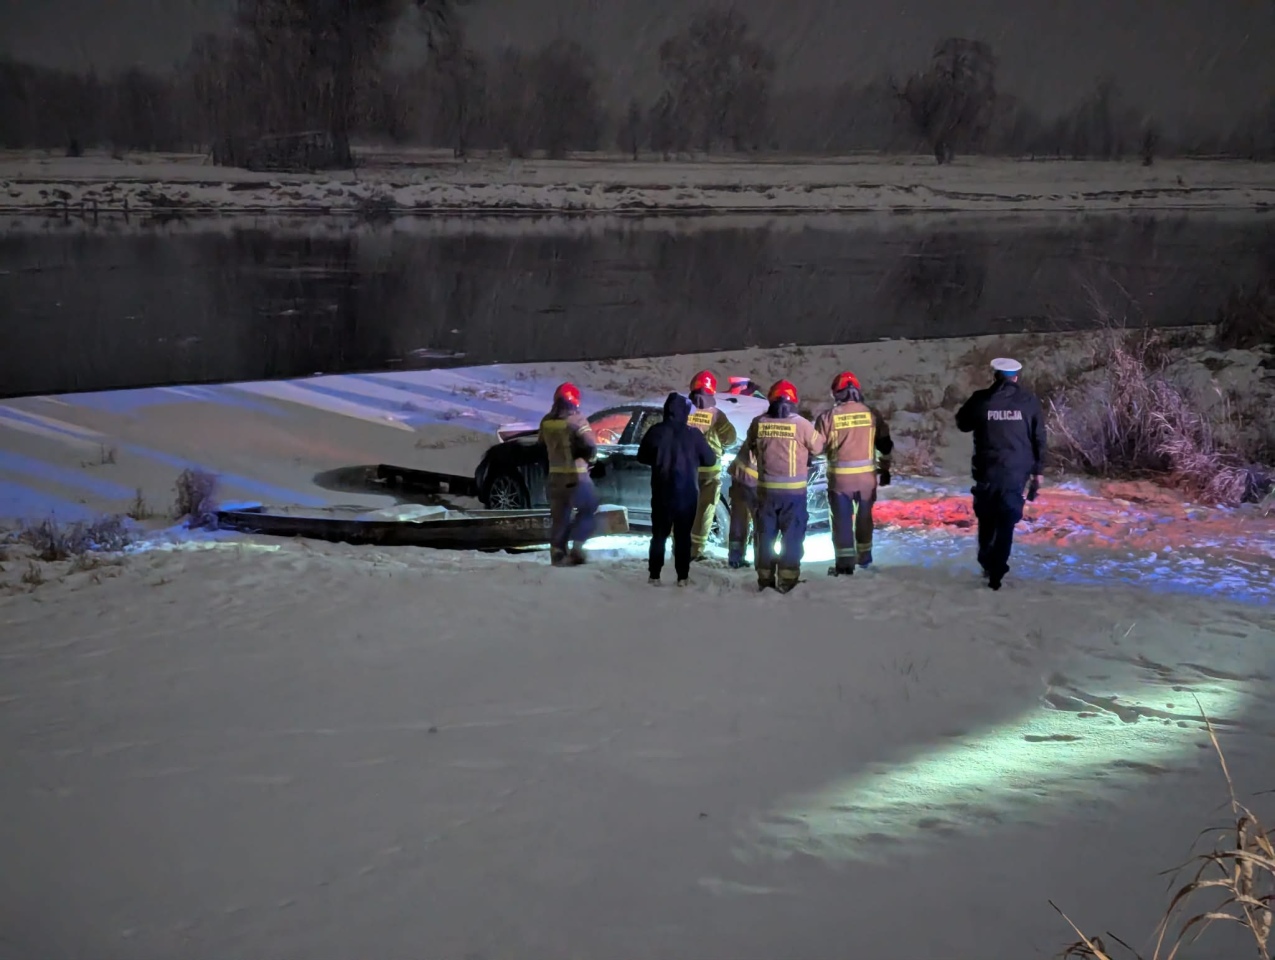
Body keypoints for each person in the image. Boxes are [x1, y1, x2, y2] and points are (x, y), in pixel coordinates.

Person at [955, 357, 1047, 590]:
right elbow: (1039, 438)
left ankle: (987, 562)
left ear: (995, 376)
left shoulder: (981, 399)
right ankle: (997, 569)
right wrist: (1038, 471)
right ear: (1016, 377)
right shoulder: (1029, 402)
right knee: (1006, 520)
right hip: (1017, 472)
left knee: (987, 518)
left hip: (987, 470)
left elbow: (962, 423)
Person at [739, 379, 825, 592]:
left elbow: (750, 445)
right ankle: (787, 580)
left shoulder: (759, 423)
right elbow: (819, 446)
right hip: (794, 495)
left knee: (765, 535)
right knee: (792, 537)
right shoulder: (802, 425)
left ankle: (765, 579)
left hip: (766, 492)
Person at [813, 371, 894, 576]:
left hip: (840, 480)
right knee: (864, 518)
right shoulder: (871, 414)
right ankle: (864, 558)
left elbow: (816, 447)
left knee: (841, 521)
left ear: (836, 393)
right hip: (866, 479)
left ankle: (844, 564)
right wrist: (885, 468)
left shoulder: (827, 417)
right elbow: (885, 445)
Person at [637, 392, 718, 586]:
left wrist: (658, 460)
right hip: (687, 494)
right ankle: (682, 577)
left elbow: (642, 457)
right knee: (683, 537)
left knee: (658, 536)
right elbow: (710, 459)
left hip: (661, 492)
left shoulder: (656, 431)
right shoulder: (694, 435)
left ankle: (654, 575)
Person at [538, 381, 600, 566]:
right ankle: (578, 547)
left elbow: (540, 446)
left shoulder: (546, 422)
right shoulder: (577, 420)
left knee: (559, 517)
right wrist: (592, 461)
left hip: (555, 478)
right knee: (589, 507)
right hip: (577, 477)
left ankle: (557, 553)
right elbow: (591, 445)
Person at [685, 370, 738, 560]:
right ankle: (696, 550)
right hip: (709, 471)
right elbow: (730, 439)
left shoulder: (683, 410)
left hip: (685, 470)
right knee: (705, 511)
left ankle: (679, 547)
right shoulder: (716, 415)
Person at [726, 445, 759, 569]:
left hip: (739, 474)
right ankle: (762, 561)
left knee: (738, 520)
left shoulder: (760, 426)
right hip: (753, 478)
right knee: (762, 523)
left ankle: (735, 558)